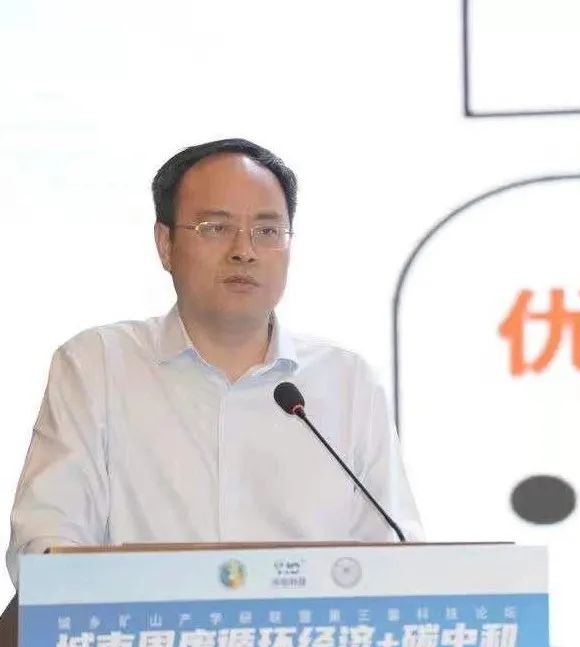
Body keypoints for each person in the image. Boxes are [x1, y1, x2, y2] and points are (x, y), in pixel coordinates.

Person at [5, 138, 423, 586]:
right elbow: (45, 544)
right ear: (165, 244)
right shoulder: (98, 366)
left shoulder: (347, 382)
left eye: (267, 231)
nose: (244, 250)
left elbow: (398, 558)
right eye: (216, 227)